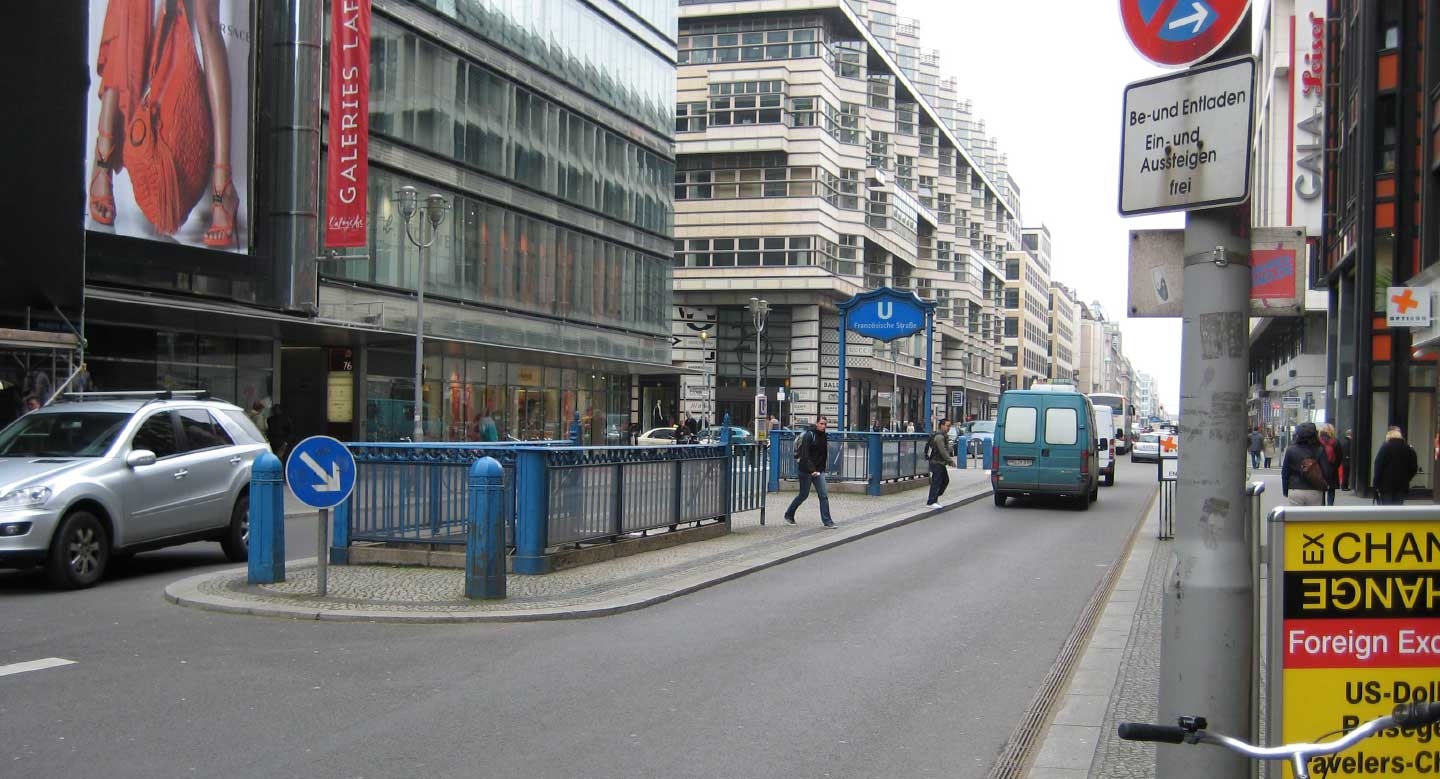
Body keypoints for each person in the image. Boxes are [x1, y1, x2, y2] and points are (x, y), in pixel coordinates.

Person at [783, 416, 836, 528]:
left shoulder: (823, 436)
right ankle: (789, 514)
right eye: (821, 424)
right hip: (806, 471)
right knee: (803, 495)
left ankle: (827, 521)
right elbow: (804, 455)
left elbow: (823, 455)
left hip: (819, 471)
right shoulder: (809, 435)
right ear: (816, 423)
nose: (823, 426)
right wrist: (812, 470)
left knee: (823, 495)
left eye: (825, 424)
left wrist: (821, 469)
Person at [1280, 421, 1327, 506]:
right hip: (1315, 489)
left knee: (1296, 517)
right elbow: (1326, 471)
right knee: (1313, 517)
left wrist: (1285, 490)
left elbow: (1285, 473)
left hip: (1295, 488)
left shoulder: (1291, 450)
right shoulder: (1320, 450)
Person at [1373, 426, 1420, 505]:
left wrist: (1376, 483)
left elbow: (1378, 466)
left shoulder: (1385, 447)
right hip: (1401, 484)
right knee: (1398, 507)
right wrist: (1407, 478)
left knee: (1386, 509)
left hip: (1386, 485)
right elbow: (1414, 468)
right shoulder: (1408, 449)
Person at [926, 418, 958, 508]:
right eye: (947, 426)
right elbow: (942, 451)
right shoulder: (939, 437)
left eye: (950, 426)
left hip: (940, 462)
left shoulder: (943, 436)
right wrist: (950, 461)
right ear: (942, 425)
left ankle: (934, 499)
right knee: (937, 482)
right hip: (937, 462)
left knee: (944, 481)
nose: (948, 428)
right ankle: (931, 501)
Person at [1318, 423, 1342, 505]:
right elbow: (1339, 457)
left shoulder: (1318, 442)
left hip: (1320, 470)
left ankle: (1322, 508)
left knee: (1321, 491)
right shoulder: (1335, 442)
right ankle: (1330, 508)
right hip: (1332, 470)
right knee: (1331, 491)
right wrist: (1334, 467)